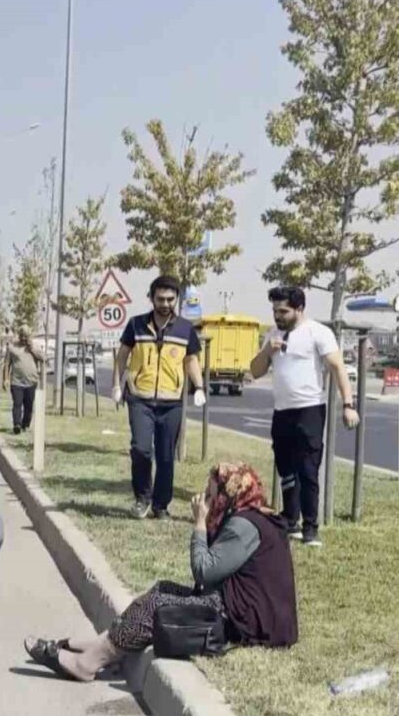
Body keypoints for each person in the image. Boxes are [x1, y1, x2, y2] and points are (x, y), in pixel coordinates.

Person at [23, 462, 298, 681]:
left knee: (158, 606)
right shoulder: (246, 516)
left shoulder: (244, 525)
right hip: (236, 607)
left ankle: (88, 663)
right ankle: (101, 644)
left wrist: (200, 523)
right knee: (161, 590)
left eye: (212, 493)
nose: (205, 499)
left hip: (244, 621)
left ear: (229, 496)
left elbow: (204, 571)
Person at [249, 286, 359, 547]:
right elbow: (254, 371)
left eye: (283, 311)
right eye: (275, 311)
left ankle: (311, 528)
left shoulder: (318, 333)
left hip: (309, 409)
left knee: (308, 469)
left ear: (299, 309)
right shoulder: (272, 335)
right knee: (285, 469)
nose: (278, 316)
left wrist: (348, 403)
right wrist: (268, 352)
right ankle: (291, 520)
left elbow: (337, 368)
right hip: (282, 411)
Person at [112, 275, 207, 520]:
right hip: (140, 398)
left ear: (176, 299)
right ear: (151, 298)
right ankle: (142, 498)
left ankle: (161, 505)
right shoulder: (135, 325)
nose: (165, 303)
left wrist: (199, 387)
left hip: (171, 402)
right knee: (141, 449)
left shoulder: (186, 329)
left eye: (170, 299)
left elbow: (191, 360)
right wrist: (116, 384)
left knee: (166, 456)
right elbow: (122, 355)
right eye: (160, 298)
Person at [2, 328, 42, 434]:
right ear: (19, 335)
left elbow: (43, 358)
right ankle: (17, 424)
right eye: (22, 336)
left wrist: (31, 348)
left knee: (28, 406)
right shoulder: (12, 347)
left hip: (31, 382)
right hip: (16, 382)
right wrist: (5, 379)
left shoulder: (34, 346)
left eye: (26, 336)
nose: (24, 338)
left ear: (29, 336)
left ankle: (25, 424)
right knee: (17, 403)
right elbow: (6, 364)